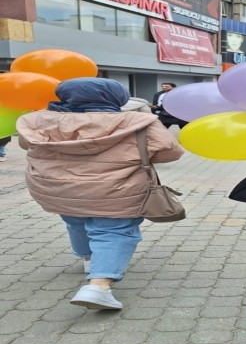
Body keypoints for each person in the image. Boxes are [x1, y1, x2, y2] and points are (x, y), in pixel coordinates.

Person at [16, 78, 184, 310]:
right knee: (115, 230)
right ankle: (98, 287)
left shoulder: (36, 120)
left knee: (76, 220)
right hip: (117, 189)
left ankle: (89, 258)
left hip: (58, 187)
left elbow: (26, 145)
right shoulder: (138, 121)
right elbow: (170, 152)